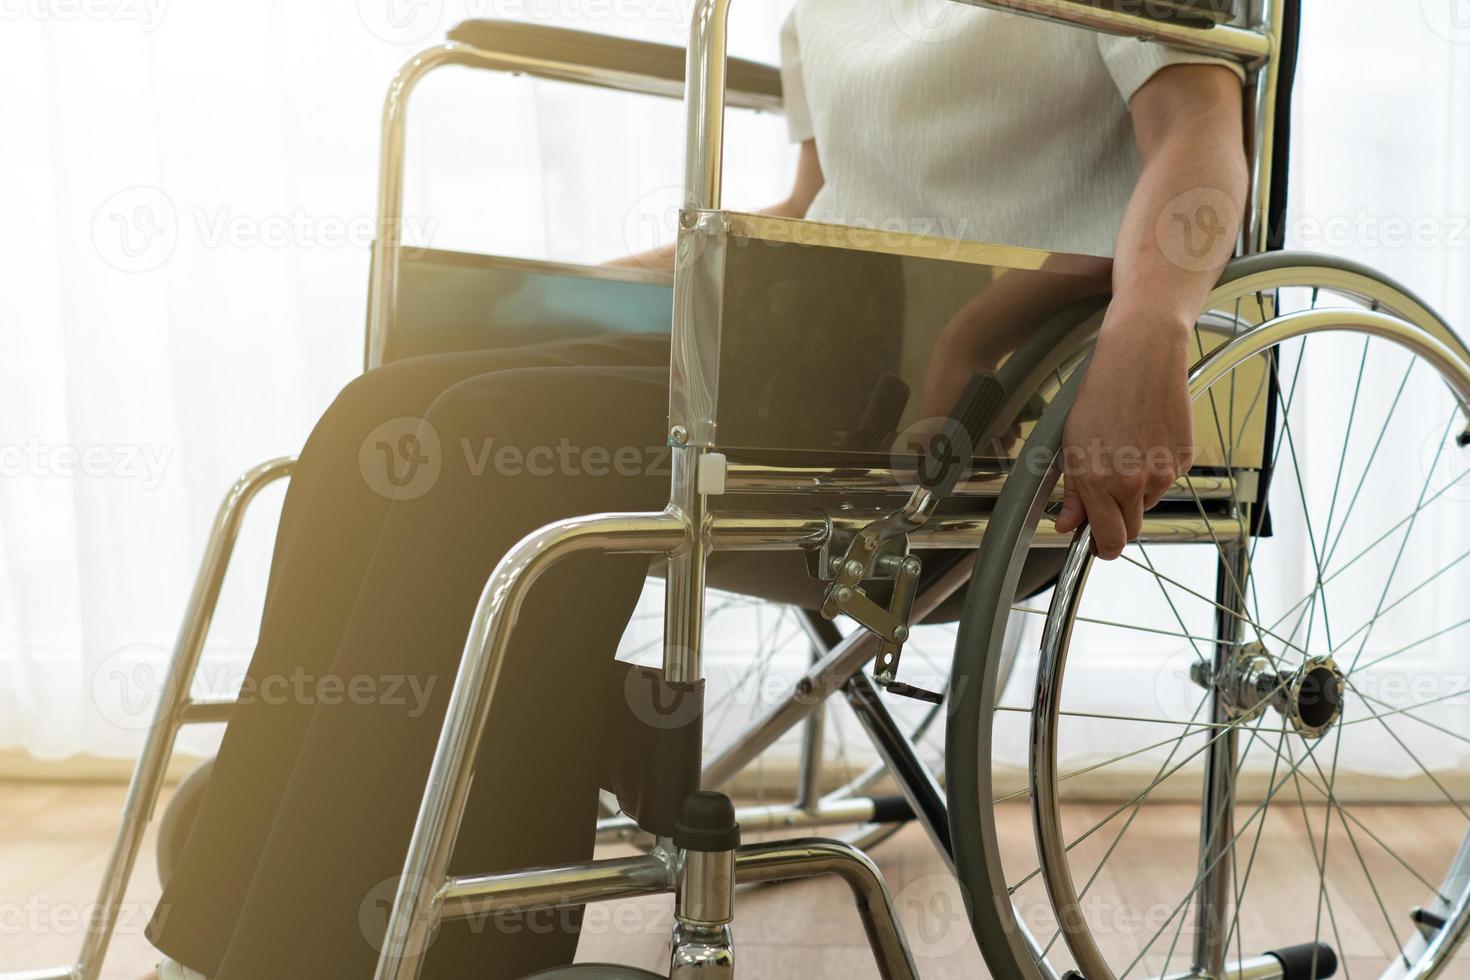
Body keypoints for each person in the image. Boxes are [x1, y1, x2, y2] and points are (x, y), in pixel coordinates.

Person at [144, 1, 1248, 976]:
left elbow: (1200, 130)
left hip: (990, 398)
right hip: (829, 351)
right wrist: (555, 301)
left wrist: (1149, 321)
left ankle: (426, 943)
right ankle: (237, 913)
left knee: (483, 441)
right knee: (381, 414)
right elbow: (817, 207)